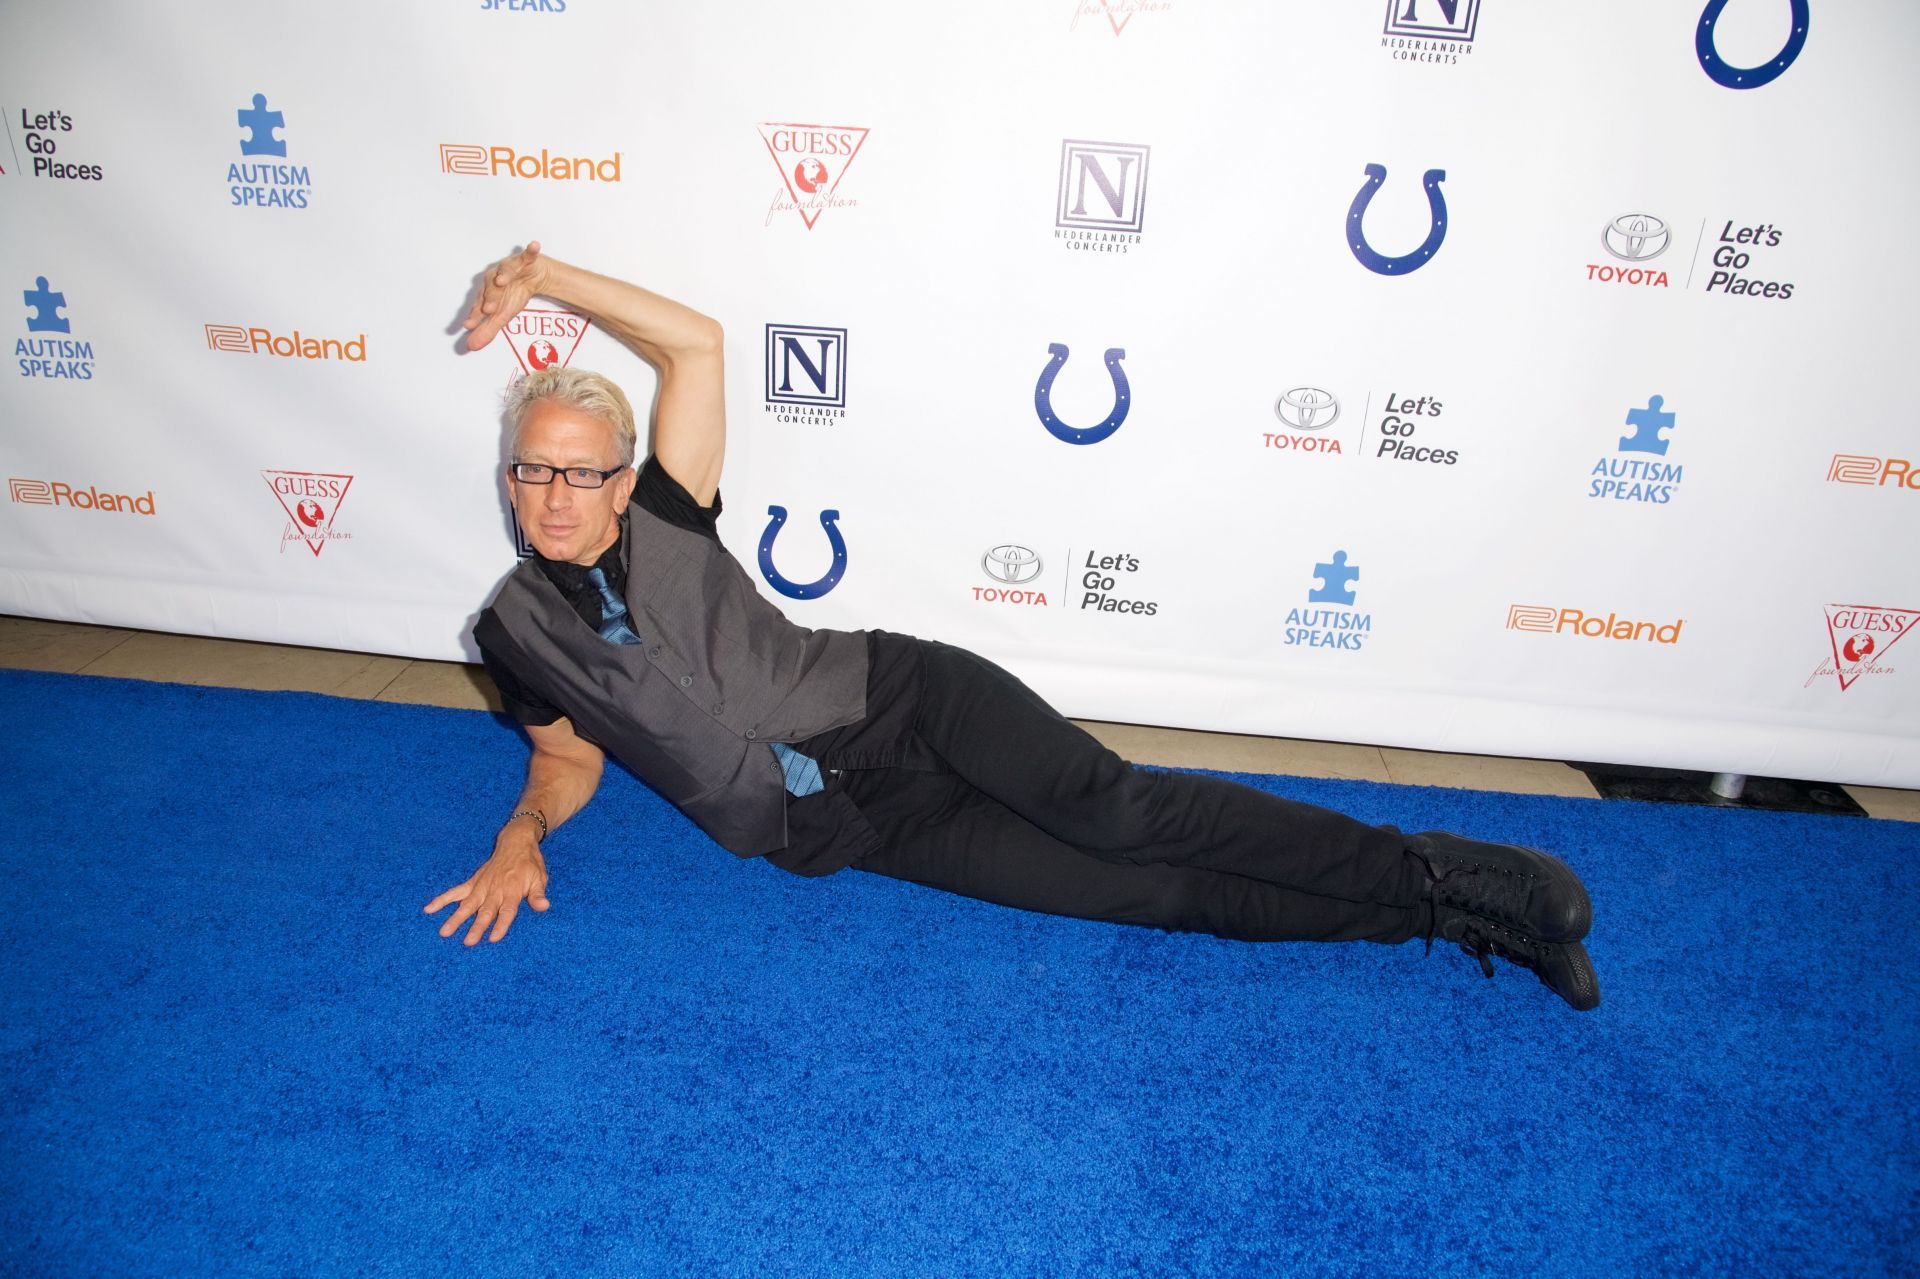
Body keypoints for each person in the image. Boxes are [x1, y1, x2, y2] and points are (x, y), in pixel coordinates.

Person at [424, 242, 1601, 1012]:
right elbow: (568, 751)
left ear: (623, 481)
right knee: (1141, 893)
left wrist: (550, 284)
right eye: (534, 472)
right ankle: (1440, 915)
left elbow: (698, 345)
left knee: (1122, 812)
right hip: (841, 821)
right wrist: (524, 831)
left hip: (901, 701)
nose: (558, 497)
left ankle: (1440, 865)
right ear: (509, 479)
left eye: (582, 473)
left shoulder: (669, 506)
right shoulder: (514, 629)